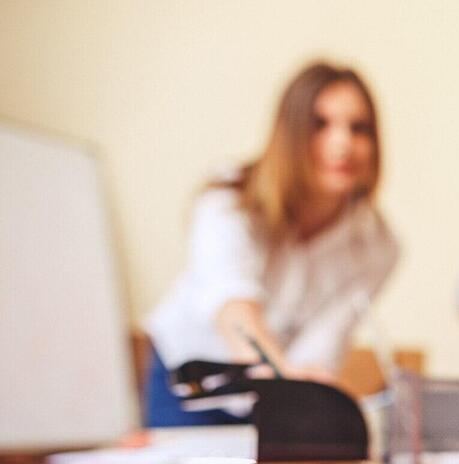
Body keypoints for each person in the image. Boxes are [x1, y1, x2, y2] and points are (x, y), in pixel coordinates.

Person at [143, 61, 398, 427]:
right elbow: (234, 307)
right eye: (320, 124)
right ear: (290, 133)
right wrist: (282, 376)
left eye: (358, 128)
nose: (342, 143)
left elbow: (325, 341)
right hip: (190, 382)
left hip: (274, 391)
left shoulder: (378, 247)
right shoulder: (229, 199)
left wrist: (307, 392)